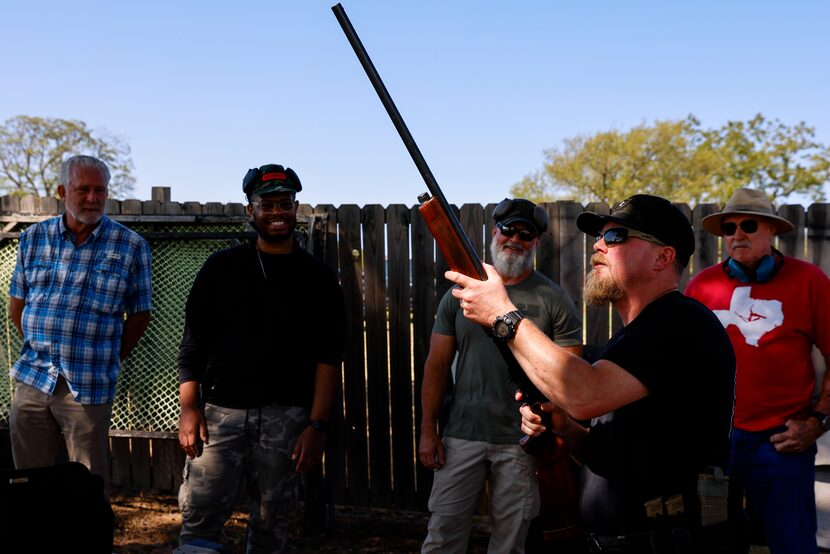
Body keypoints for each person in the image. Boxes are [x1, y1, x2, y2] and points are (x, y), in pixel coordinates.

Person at [446, 194, 736, 552]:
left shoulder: (680, 322)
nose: (598, 244)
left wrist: (502, 314)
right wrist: (565, 428)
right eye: (599, 235)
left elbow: (584, 395)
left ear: (663, 257)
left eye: (615, 237)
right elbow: (611, 456)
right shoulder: (630, 339)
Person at [177, 163, 346, 553]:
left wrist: (316, 425)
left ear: (295, 207)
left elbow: (328, 359)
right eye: (266, 204)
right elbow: (193, 345)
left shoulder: (318, 279)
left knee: (273, 523)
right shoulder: (222, 268)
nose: (276, 212)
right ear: (249, 210)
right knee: (200, 520)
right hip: (219, 416)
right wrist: (189, 406)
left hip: (286, 419)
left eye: (284, 203)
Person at [419, 198, 583, 554]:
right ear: (494, 232)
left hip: (522, 443)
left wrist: (549, 421)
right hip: (461, 435)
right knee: (442, 536)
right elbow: (436, 363)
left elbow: (571, 377)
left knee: (510, 543)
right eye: (508, 229)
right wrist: (428, 430)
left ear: (536, 242)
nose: (515, 238)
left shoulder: (554, 300)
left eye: (526, 233)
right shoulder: (460, 294)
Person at [685, 187, 830, 554]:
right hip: (715, 441)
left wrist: (818, 421)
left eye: (748, 225)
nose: (737, 234)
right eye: (729, 227)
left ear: (772, 231)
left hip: (783, 439)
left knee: (792, 544)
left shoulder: (809, 281)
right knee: (712, 542)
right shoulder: (701, 286)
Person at [8, 154, 153, 493]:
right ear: (62, 191)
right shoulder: (33, 239)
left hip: (89, 385)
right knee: (28, 483)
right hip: (32, 379)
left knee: (88, 486)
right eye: (83, 189)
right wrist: (38, 345)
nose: (92, 198)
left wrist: (109, 357)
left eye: (100, 190)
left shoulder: (131, 246)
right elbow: (17, 305)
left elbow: (141, 315)